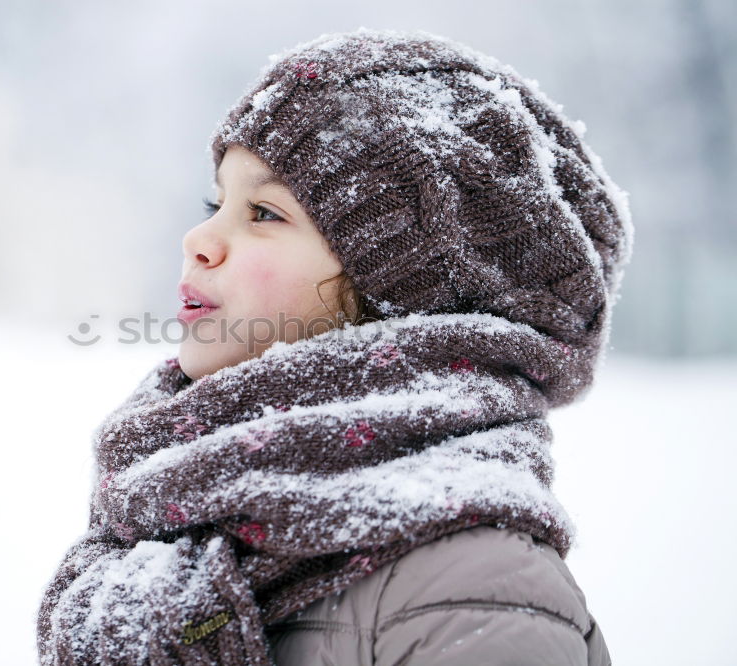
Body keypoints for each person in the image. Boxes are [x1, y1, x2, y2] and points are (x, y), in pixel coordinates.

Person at [37, 27, 631, 665]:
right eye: (217, 201)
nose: (198, 238)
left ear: (404, 295)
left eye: (265, 213)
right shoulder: (174, 516)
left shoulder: (472, 585)